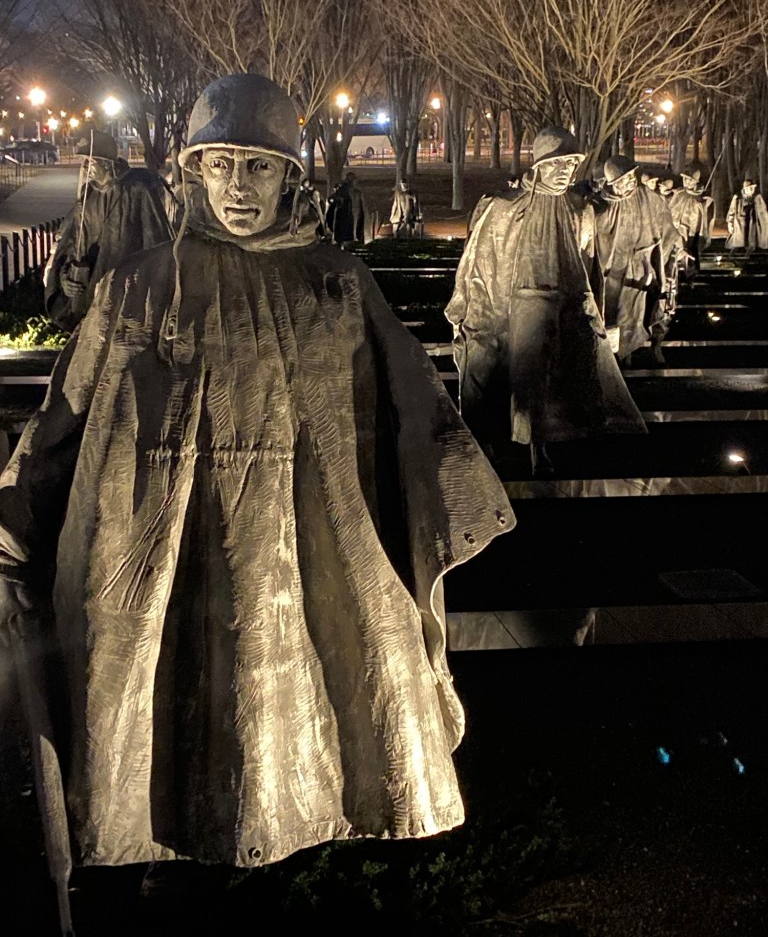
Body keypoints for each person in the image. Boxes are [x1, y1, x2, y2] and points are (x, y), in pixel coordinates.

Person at [0, 74, 513, 874]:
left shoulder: (337, 285)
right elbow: (64, 417)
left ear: (290, 177)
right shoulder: (136, 287)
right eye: (221, 164)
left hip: (307, 551)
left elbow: (413, 407)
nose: (239, 187)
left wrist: (450, 476)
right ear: (194, 172)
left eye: (260, 167)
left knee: (296, 696)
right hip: (161, 552)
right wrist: (17, 508)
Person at [446, 127, 646, 478]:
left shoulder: (577, 209)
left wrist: (592, 312)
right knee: (515, 380)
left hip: (563, 304)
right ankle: (501, 447)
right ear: (540, 165)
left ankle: (542, 448)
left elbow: (588, 265)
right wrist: (471, 306)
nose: (567, 169)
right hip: (514, 304)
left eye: (572, 163)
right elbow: (479, 261)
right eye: (559, 163)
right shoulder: (504, 207)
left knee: (553, 383)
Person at [43, 130, 172, 331]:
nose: (85, 167)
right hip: (88, 299)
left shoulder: (138, 189)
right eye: (84, 161)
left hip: (125, 300)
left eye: (91, 161)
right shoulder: (88, 194)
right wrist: (65, 276)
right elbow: (72, 242)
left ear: (106, 162)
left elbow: (157, 244)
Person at [593, 155, 682, 368]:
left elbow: (665, 224)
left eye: (632, 176)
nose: (631, 181)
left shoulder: (648, 197)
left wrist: (675, 245)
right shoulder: (603, 205)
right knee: (616, 314)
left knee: (648, 309)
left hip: (645, 264)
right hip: (615, 270)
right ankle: (619, 357)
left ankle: (652, 348)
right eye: (624, 179)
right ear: (612, 184)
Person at [668, 166, 714, 274]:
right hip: (678, 229)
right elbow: (671, 209)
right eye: (685, 179)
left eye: (689, 179)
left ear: (695, 182)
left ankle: (692, 275)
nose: (686, 181)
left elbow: (703, 216)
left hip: (692, 231)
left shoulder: (700, 197)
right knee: (676, 252)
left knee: (692, 253)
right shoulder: (679, 193)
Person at [726, 177, 768, 252]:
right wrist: (730, 223)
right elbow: (731, 211)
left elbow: (763, 212)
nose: (752, 189)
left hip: (754, 225)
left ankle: (753, 252)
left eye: (753, 188)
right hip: (740, 224)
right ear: (745, 188)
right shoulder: (737, 198)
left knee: (753, 241)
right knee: (740, 244)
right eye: (750, 188)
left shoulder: (758, 197)